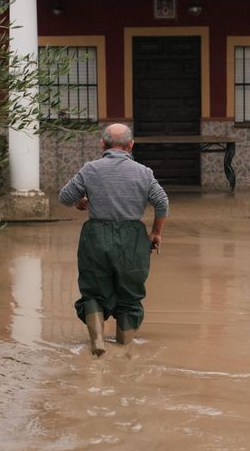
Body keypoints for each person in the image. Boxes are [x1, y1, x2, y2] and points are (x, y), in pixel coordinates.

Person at [59, 124, 169, 356]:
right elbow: (162, 203)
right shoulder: (144, 172)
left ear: (102, 145)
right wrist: (156, 233)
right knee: (129, 297)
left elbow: (65, 197)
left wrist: (80, 200)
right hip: (133, 240)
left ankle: (98, 340)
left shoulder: (90, 169)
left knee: (93, 292)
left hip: (96, 237)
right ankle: (124, 349)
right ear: (130, 146)